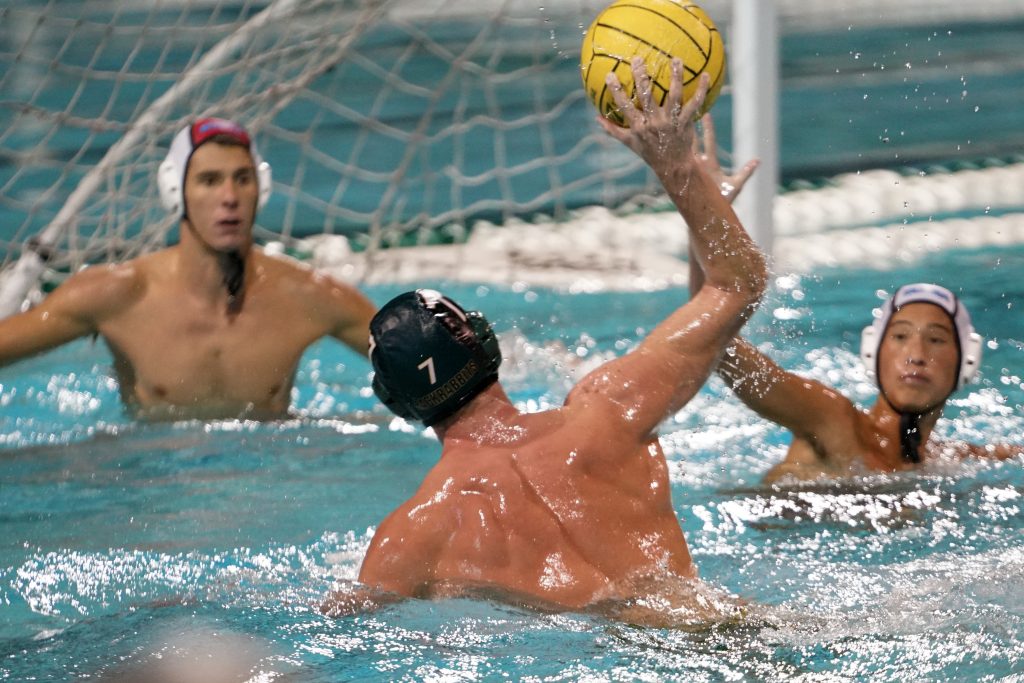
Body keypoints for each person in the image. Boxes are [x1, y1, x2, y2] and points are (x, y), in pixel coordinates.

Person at [321, 58, 768, 626]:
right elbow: (736, 285)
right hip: (733, 626)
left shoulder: (413, 536)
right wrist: (683, 174)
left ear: (397, 401)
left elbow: (335, 627)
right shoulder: (610, 409)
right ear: (485, 343)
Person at [687, 121, 1023, 483]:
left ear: (967, 362)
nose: (916, 354)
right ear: (872, 353)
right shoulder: (833, 422)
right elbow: (717, 338)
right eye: (899, 337)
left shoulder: (946, 461)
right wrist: (702, 207)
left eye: (937, 339)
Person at [0, 118, 376, 420]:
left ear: (260, 189)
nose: (229, 197)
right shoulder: (118, 295)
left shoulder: (309, 297)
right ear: (175, 191)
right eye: (209, 181)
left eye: (242, 179)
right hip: (153, 475)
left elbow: (410, 357)